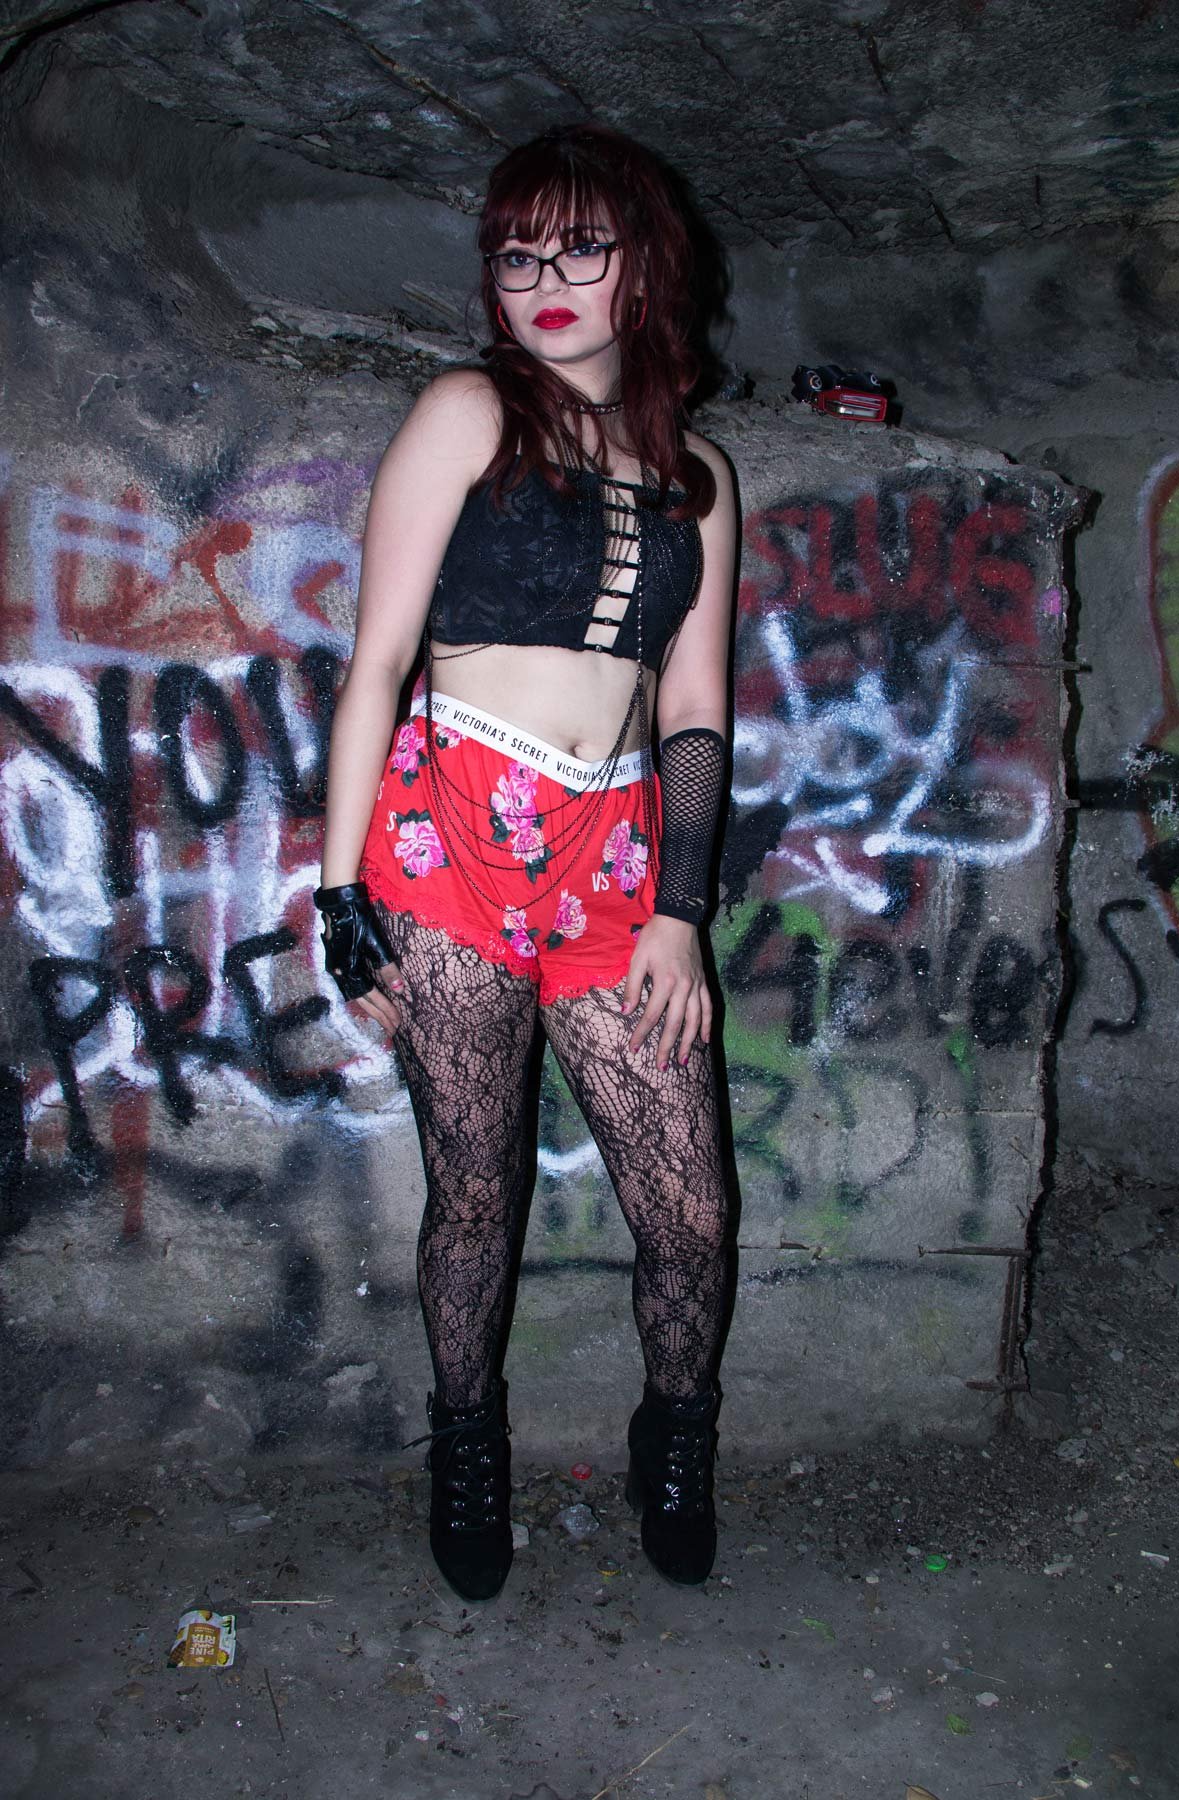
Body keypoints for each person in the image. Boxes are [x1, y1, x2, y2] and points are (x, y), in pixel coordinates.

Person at [313, 123, 736, 1598]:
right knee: (475, 1193)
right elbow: (375, 665)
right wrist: (338, 894)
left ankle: (674, 1434)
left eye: (580, 248)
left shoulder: (698, 471)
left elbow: (694, 708)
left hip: (617, 857)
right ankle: (467, 1443)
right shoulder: (464, 412)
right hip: (447, 846)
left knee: (691, 1211)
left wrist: (680, 914)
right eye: (515, 254)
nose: (543, 281)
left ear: (645, 266)